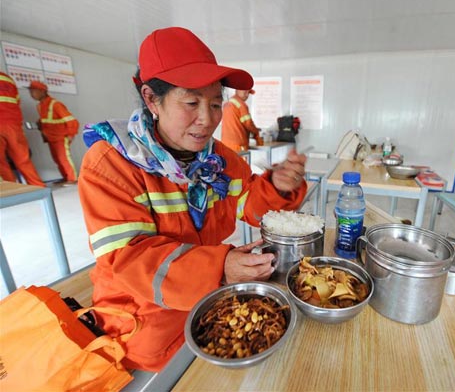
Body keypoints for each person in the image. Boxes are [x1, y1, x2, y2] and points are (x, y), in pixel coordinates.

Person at [78, 26, 307, 371]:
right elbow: (129, 259)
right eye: (191, 103)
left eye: (216, 104)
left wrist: (277, 187)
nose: (207, 119)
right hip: (146, 327)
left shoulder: (221, 161)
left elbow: (248, 205)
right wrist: (219, 268)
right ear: (152, 99)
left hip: (208, 304)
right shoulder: (110, 165)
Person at [28, 80, 79, 184]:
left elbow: (72, 121)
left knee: (64, 158)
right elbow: (47, 120)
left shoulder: (55, 104)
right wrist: (39, 124)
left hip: (61, 137)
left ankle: (72, 179)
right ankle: (65, 177)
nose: (31, 94)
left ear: (42, 91)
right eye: (31, 91)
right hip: (50, 137)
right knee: (57, 159)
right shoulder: (40, 106)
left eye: (33, 91)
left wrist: (71, 134)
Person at [0, 72, 45, 186]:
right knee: (23, 159)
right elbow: (17, 101)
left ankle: (12, 190)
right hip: (13, 124)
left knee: (1, 163)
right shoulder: (7, 78)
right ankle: (39, 187)